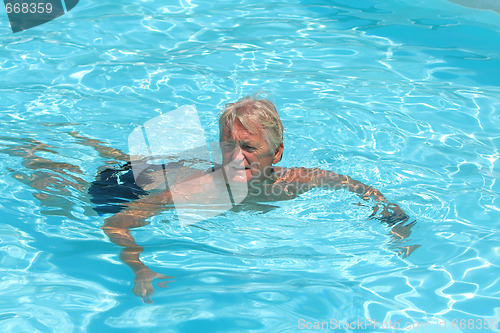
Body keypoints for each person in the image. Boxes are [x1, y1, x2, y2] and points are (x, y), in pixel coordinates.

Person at [93, 96, 417, 303]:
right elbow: (116, 223)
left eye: (249, 148)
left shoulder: (293, 182)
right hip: (122, 186)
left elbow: (352, 185)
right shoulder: (201, 190)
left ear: (276, 154)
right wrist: (139, 267)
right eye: (228, 146)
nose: (236, 157)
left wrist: (393, 219)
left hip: (162, 169)